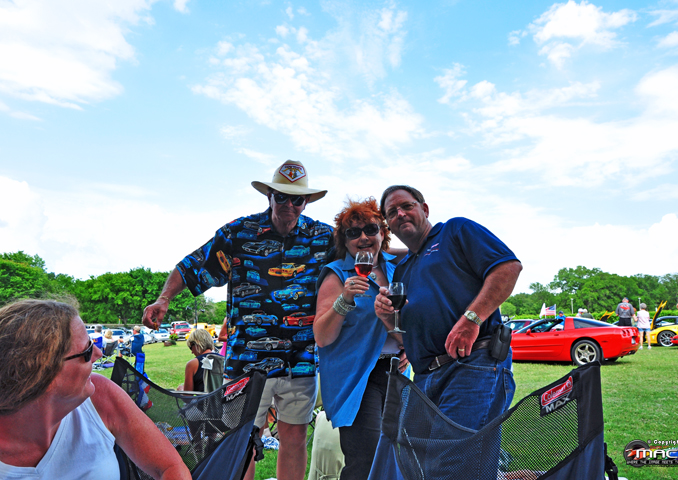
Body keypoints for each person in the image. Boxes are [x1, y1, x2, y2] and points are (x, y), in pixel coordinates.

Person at [142, 159, 332, 480]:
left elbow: (367, 256)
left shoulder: (324, 237)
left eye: (296, 199)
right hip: (247, 361)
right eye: (281, 197)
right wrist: (164, 299)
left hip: (299, 362)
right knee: (239, 440)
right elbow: (193, 265)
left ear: (306, 202)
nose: (288, 205)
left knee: (295, 437)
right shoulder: (238, 234)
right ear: (269, 196)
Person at [374, 185, 522, 431]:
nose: (400, 213)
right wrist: (387, 318)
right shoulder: (402, 270)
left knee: (456, 453)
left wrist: (471, 319)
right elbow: (408, 340)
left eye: (407, 206)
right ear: (389, 224)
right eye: (392, 212)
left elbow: (508, 268)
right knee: (423, 455)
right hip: (424, 378)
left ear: (425, 209)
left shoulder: (455, 230)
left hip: (472, 365)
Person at [0, 299, 191, 480]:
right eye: (86, 351)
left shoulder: (100, 394)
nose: (98, 354)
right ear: (44, 374)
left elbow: (170, 467)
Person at [314, 198, 407, 480]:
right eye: (353, 233)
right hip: (358, 377)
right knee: (366, 458)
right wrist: (344, 299)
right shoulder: (336, 274)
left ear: (383, 233)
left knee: (396, 455)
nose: (363, 237)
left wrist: (409, 347)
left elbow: (410, 320)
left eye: (370, 229)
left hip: (397, 373)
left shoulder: (399, 269)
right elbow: (322, 337)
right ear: (344, 241)